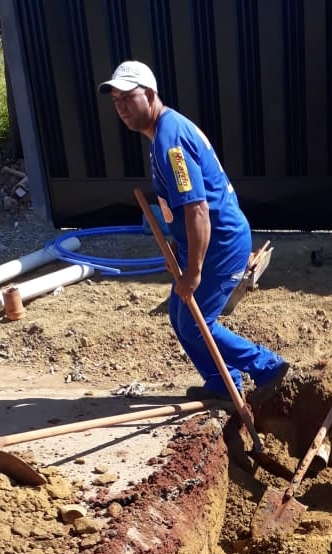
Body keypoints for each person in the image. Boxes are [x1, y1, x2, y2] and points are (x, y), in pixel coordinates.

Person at [98, 60, 289, 406]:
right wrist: (177, 238)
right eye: (116, 101)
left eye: (128, 96)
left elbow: (198, 208)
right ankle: (222, 382)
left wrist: (194, 270)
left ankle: (267, 366)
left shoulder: (170, 142)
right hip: (204, 241)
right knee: (179, 315)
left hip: (219, 244)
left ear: (151, 94)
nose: (122, 107)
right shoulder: (164, 132)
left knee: (196, 324)